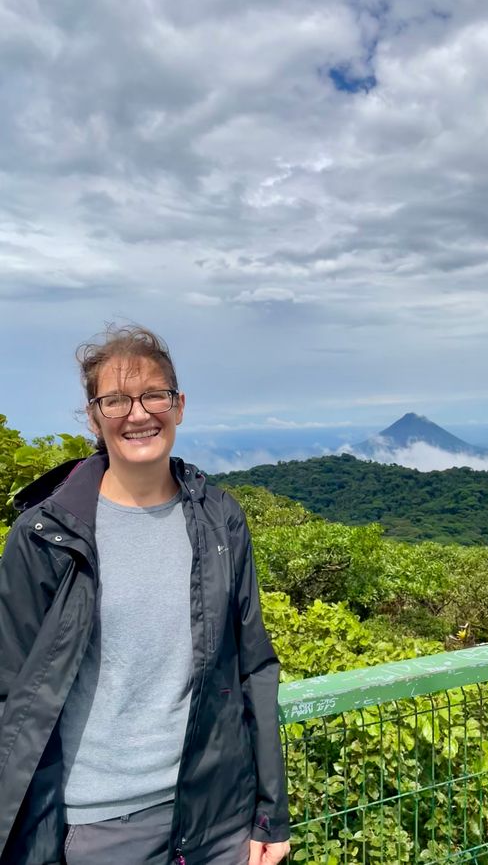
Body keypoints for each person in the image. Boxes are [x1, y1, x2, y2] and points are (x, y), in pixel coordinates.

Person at [0, 325, 290, 865]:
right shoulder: (46, 535)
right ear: (94, 416)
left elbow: (255, 667)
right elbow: (9, 689)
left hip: (217, 814)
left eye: (154, 395)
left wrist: (270, 813)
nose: (138, 414)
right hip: (101, 824)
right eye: (115, 400)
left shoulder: (219, 519)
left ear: (178, 406)